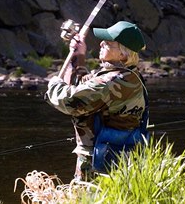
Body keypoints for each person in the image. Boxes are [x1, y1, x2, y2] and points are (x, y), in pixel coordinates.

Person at [45, 20, 149, 180]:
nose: (101, 44)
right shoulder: (130, 75)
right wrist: (79, 55)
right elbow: (85, 84)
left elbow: (69, 101)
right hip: (119, 157)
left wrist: (54, 85)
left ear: (122, 54)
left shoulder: (110, 82)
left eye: (108, 43)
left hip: (97, 165)